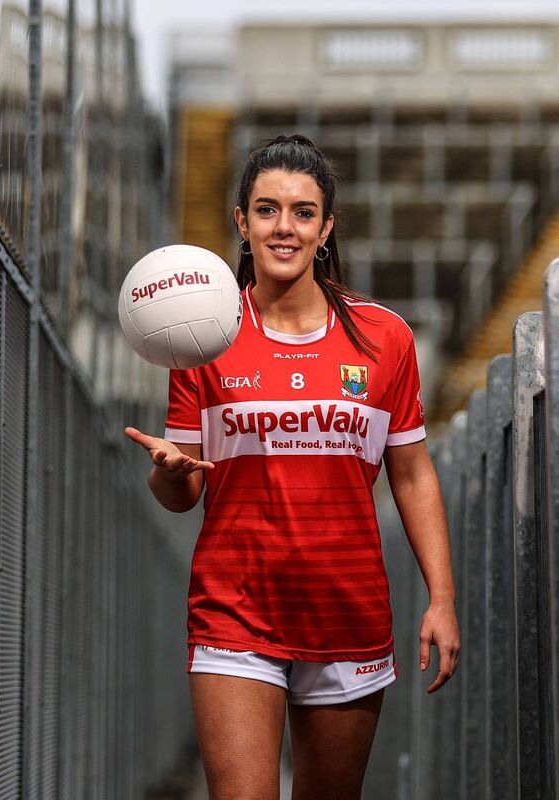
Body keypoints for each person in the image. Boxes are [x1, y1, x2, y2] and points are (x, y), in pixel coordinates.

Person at [125, 135, 460, 800]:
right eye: (268, 209)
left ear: (327, 227)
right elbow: (183, 492)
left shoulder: (383, 337)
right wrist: (168, 470)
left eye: (303, 212)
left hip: (348, 611)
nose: (286, 226)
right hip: (234, 611)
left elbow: (414, 474)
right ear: (242, 223)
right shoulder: (200, 336)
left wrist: (442, 600)